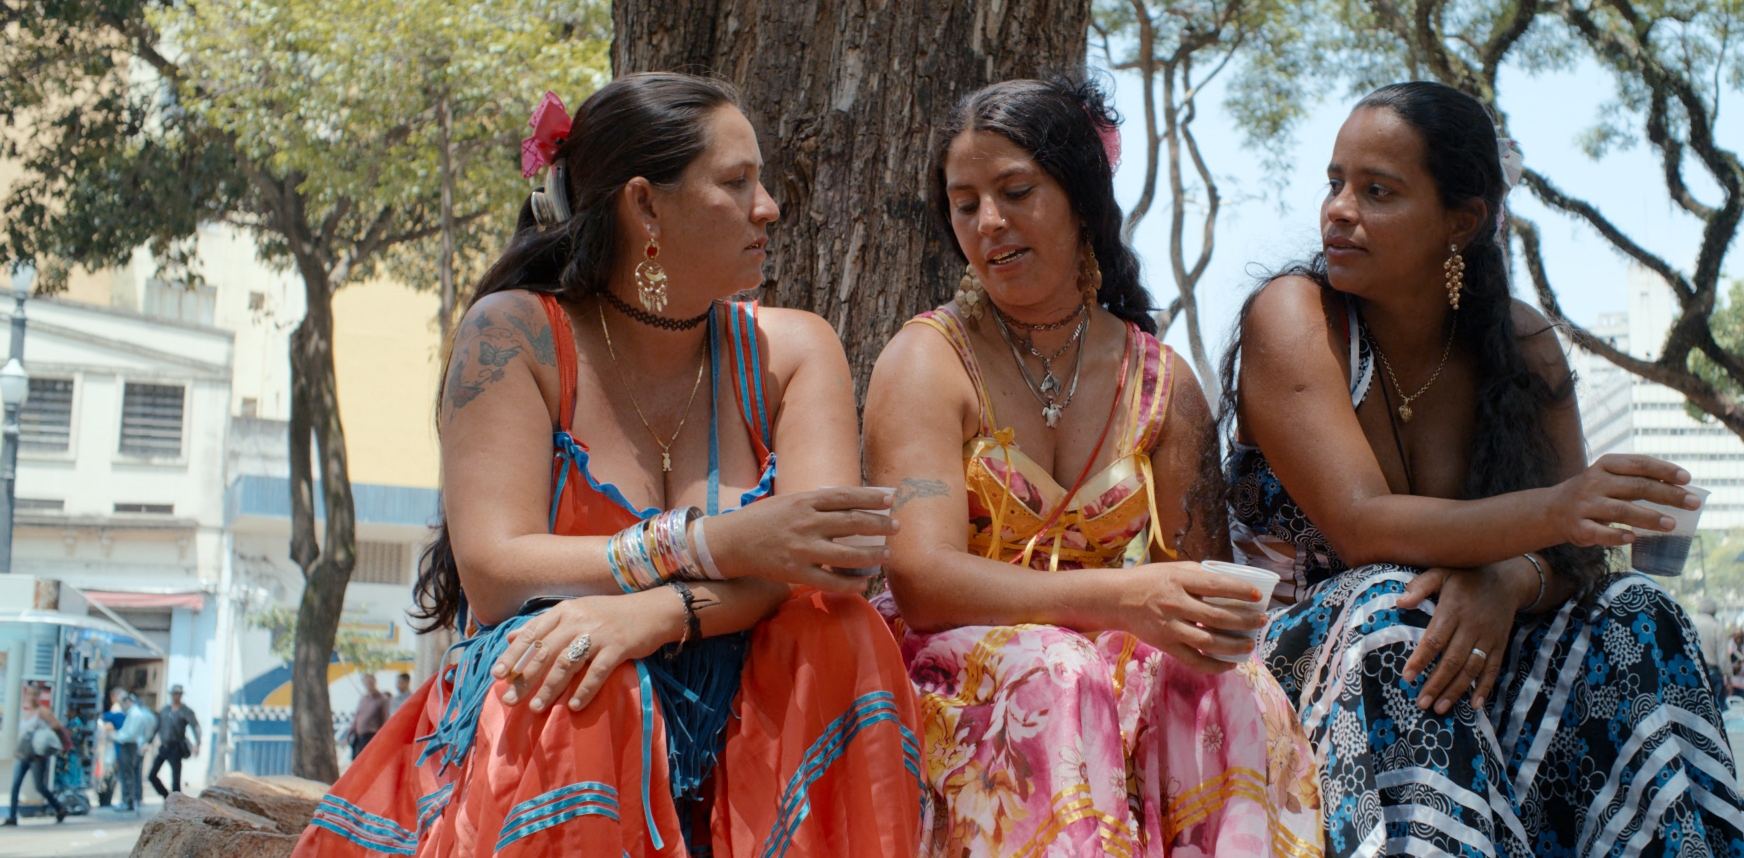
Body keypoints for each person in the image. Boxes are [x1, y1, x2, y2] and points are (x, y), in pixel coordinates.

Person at [294, 74, 925, 857]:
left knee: (841, 631)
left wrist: (657, 614)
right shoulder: (516, 336)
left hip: (745, 700)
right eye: (736, 182)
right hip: (563, 704)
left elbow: (833, 565)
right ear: (645, 206)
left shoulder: (794, 349)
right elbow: (495, 569)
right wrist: (718, 545)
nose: (769, 207)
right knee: (578, 667)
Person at [1221, 81, 1744, 856]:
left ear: (1461, 222)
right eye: (1335, 182)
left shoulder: (1521, 344)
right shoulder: (1294, 315)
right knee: (1390, 608)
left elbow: (1576, 563)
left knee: (1638, 610)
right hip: (1317, 672)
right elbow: (1362, 523)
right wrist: (1555, 510)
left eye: (1378, 192)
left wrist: (1508, 580)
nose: (1339, 209)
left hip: (1471, 661)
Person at [864, 76, 1321, 857]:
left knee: (1229, 683)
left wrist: (1202, 615)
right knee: (1056, 669)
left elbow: (1195, 587)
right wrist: (1121, 599)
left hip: (1104, 669)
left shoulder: (1160, 381)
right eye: (964, 202)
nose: (988, 223)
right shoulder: (927, 361)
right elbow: (923, 582)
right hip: (953, 678)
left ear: (1082, 199)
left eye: (1015, 192)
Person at [6, 681, 68, 825]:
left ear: (39, 695)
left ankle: (59, 808)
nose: (32, 697)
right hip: (23, 753)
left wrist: (42, 732)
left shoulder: (43, 712)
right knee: (15, 784)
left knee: (39, 786)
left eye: (35, 694)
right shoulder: (27, 712)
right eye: (29, 694)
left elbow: (57, 725)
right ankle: (12, 816)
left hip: (37, 755)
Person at [149, 685, 200, 796]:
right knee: (152, 775)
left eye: (178, 694)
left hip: (176, 747)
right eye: (174, 694)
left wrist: (197, 744)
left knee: (175, 780)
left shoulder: (185, 711)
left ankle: (176, 802)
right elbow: (157, 727)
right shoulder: (165, 710)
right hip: (164, 746)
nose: (176, 696)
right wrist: (147, 742)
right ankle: (167, 796)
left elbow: (195, 727)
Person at [109, 689, 155, 812]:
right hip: (129, 745)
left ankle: (128, 801)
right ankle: (127, 800)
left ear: (128, 701)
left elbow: (129, 734)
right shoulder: (132, 713)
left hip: (129, 746)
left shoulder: (135, 714)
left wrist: (115, 736)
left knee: (128, 775)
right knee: (127, 774)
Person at [346, 675, 390, 760]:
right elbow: (357, 717)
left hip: (371, 736)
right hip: (359, 736)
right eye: (366, 683)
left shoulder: (382, 700)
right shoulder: (364, 699)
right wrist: (350, 732)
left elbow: (384, 720)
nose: (369, 685)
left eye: (370, 683)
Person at [1694, 598, 1730, 701]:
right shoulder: (1717, 627)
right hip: (1713, 675)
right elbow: (1723, 658)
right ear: (1714, 612)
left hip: (1694, 673)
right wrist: (1728, 678)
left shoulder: (1690, 623)